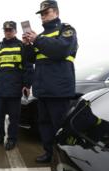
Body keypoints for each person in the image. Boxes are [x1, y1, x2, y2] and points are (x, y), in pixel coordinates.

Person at [22, 0, 78, 162]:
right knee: (44, 125)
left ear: (56, 12)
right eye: (41, 14)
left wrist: (37, 40)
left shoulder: (67, 30)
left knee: (59, 126)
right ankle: (48, 153)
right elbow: (31, 58)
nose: (43, 17)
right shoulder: (41, 36)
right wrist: (27, 45)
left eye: (46, 13)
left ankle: (63, 157)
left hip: (59, 90)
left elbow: (61, 49)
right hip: (43, 89)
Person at [0, 21, 33, 151]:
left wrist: (27, 84)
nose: (8, 32)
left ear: (15, 31)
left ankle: (12, 139)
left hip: (15, 88)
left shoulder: (21, 46)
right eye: (6, 30)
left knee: (14, 117)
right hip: (0, 88)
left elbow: (28, 67)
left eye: (10, 30)